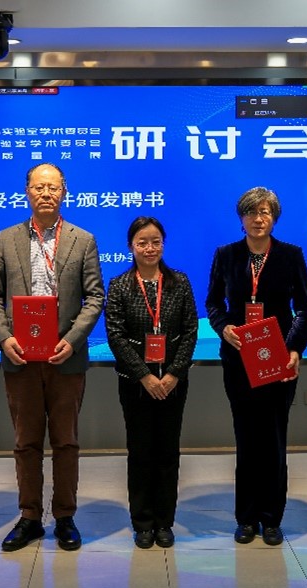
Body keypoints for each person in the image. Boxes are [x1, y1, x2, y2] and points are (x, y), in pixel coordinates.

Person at [0, 162, 104, 552]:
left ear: (64, 191)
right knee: (26, 442)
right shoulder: (7, 239)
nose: (46, 193)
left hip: (65, 357)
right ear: (27, 192)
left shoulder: (83, 240)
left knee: (66, 441)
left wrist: (73, 339)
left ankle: (65, 516)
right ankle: (30, 517)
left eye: (53, 187)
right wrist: (4, 339)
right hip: (20, 357)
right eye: (39, 187)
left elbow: (95, 297)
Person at [205, 186, 307, 546]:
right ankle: (246, 517)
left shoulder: (290, 255)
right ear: (242, 218)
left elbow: (304, 309)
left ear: (274, 217)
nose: (258, 218)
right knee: (246, 439)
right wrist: (224, 328)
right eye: (251, 212)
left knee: (274, 440)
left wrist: (294, 349)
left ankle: (271, 518)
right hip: (238, 360)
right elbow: (213, 303)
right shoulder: (226, 255)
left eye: (265, 212)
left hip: (278, 361)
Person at [105, 216, 199, 549]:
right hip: (135, 383)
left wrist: (173, 374)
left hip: (173, 382)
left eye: (156, 241)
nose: (149, 248)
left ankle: (164, 522)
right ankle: (143, 522)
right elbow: (115, 335)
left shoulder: (179, 282)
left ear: (163, 244)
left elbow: (190, 331)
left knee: (168, 452)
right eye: (142, 242)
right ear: (131, 246)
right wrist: (144, 375)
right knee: (140, 451)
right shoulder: (119, 285)